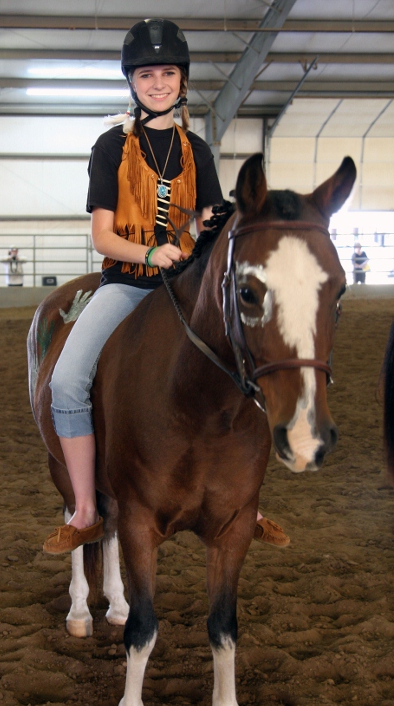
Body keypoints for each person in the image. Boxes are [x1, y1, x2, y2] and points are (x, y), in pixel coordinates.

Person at [43, 18, 288, 554]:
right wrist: (151, 253)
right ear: (132, 83)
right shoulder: (110, 147)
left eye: (168, 74)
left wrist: (223, 224)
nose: (158, 83)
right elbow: (103, 237)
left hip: (186, 292)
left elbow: (209, 226)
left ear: (182, 80)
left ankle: (247, 498)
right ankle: (85, 509)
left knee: (255, 364)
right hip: (126, 286)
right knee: (66, 381)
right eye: (147, 75)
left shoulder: (197, 151)